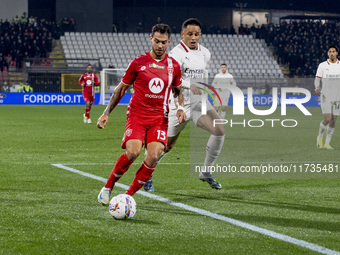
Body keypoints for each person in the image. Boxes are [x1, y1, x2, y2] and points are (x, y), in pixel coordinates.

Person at [97, 24, 185, 205]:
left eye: (164, 42)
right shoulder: (138, 62)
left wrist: (180, 107)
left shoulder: (174, 66)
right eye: (157, 41)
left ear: (169, 42)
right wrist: (106, 113)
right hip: (137, 115)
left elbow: (178, 90)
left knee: (153, 156)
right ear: (151, 39)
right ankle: (108, 187)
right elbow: (121, 89)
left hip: (160, 117)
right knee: (133, 152)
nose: (160, 46)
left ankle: (127, 196)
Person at [144, 18, 225, 191]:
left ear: (200, 35)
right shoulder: (176, 54)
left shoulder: (206, 53)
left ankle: (206, 172)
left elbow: (203, 78)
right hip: (178, 104)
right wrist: (185, 95)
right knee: (166, 146)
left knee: (219, 130)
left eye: (196, 34)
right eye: (190, 34)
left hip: (199, 102)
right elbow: (173, 81)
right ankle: (147, 173)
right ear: (183, 35)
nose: (193, 37)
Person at [315, 45, 340, 150]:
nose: (331, 53)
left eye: (333, 51)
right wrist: (317, 87)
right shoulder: (322, 65)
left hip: (338, 96)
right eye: (329, 51)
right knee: (327, 119)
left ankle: (327, 143)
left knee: (334, 120)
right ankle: (320, 136)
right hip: (326, 95)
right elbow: (317, 79)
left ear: (337, 53)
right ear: (327, 53)